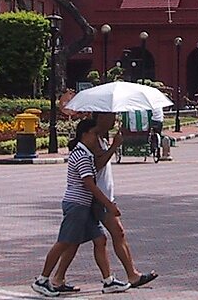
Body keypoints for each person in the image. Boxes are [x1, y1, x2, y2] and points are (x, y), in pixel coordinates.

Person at [53, 112, 158, 291]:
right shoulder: (91, 140)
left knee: (87, 240)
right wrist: (114, 147)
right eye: (110, 116)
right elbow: (96, 165)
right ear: (100, 118)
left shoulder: (100, 138)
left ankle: (61, 277)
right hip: (97, 199)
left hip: (104, 196)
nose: (114, 119)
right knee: (115, 233)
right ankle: (130, 275)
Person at [32, 118, 131, 297]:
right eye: (94, 133)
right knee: (64, 242)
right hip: (76, 205)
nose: (95, 137)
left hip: (84, 206)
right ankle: (42, 279)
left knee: (100, 239)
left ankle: (108, 280)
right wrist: (108, 205)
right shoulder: (81, 154)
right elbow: (90, 185)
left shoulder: (86, 153)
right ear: (85, 134)